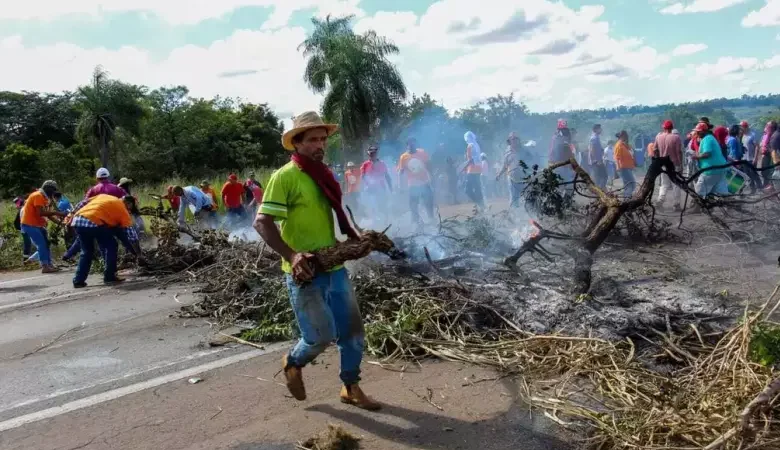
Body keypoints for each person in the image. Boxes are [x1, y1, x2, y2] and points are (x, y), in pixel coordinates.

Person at [254, 111, 379, 411]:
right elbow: (262, 222)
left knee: (352, 333)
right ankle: (293, 362)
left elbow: (336, 212)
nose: (320, 144)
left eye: (323, 139)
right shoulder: (285, 177)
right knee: (319, 337)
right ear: (296, 144)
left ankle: (350, 386)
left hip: (333, 265)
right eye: (312, 140)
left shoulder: (324, 174)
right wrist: (292, 255)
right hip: (305, 272)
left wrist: (355, 238)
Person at [71, 195, 141, 288]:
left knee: (87, 251)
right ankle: (109, 276)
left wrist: (73, 213)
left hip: (78, 220)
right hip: (94, 222)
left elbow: (82, 203)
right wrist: (138, 253)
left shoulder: (104, 196)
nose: (129, 210)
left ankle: (78, 280)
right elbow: (131, 235)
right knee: (111, 245)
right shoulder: (123, 210)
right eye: (131, 207)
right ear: (128, 203)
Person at [20, 181, 68, 273]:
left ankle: (49, 264)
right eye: (53, 190)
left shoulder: (45, 198)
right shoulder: (38, 196)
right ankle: (45, 266)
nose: (54, 192)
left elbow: (49, 215)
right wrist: (57, 213)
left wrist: (61, 223)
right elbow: (40, 213)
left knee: (46, 244)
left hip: (38, 225)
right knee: (41, 244)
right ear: (48, 188)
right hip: (30, 224)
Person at [398, 137, 434, 225]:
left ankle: (431, 219)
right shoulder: (403, 157)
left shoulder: (422, 152)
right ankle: (415, 222)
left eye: (413, 143)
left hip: (424, 182)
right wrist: (400, 185)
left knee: (428, 202)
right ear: (407, 145)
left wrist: (433, 179)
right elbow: (401, 171)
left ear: (416, 144)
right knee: (413, 205)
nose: (412, 145)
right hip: (412, 185)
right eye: (410, 144)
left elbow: (429, 166)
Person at [689, 122, 729, 197]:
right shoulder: (710, 138)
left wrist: (696, 156)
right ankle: (730, 205)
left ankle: (697, 207)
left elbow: (707, 154)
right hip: (720, 169)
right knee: (720, 192)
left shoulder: (707, 139)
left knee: (699, 191)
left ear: (703, 131)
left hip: (710, 170)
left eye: (698, 131)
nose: (697, 133)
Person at [653, 120, 683, 210]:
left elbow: (655, 150)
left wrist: (658, 160)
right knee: (676, 184)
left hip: (663, 164)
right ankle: (676, 204)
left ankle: (660, 201)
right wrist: (681, 164)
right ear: (672, 128)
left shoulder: (658, 137)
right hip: (674, 164)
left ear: (664, 128)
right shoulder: (676, 137)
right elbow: (679, 152)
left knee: (664, 184)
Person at [497, 132, 527, 208]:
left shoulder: (524, 151)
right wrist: (499, 175)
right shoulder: (507, 154)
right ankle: (515, 215)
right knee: (514, 197)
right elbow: (504, 166)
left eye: (516, 139)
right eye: (513, 139)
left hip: (524, 178)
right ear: (509, 141)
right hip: (512, 179)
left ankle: (528, 213)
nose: (515, 141)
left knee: (527, 196)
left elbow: (531, 161)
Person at [549, 120, 576, 194]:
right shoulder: (558, 138)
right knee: (568, 184)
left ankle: (562, 201)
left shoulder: (556, 137)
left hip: (561, 165)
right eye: (563, 129)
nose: (565, 131)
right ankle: (564, 202)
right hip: (561, 165)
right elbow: (557, 152)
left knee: (563, 185)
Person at [462, 131, 485, 209]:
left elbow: (471, 160)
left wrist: (463, 167)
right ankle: (482, 205)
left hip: (472, 170)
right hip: (478, 169)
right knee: (477, 188)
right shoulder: (476, 145)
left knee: (467, 190)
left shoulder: (470, 146)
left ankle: (479, 204)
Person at [614, 131, 637, 198]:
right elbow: (617, 157)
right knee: (631, 184)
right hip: (624, 168)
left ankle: (626, 199)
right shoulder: (618, 145)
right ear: (622, 136)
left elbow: (631, 153)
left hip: (627, 167)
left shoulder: (624, 145)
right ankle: (627, 198)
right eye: (625, 136)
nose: (626, 137)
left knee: (628, 185)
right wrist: (618, 167)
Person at [13, 196, 32, 261]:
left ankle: (28, 258)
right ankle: (26, 260)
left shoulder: (21, 207)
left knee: (29, 244)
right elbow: (16, 222)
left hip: (25, 228)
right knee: (28, 243)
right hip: (25, 229)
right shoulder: (22, 208)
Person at [588, 124, 607, 189]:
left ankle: (600, 192)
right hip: (596, 162)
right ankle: (600, 192)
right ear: (596, 129)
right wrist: (597, 160)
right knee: (603, 177)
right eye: (600, 129)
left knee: (599, 178)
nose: (601, 130)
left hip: (597, 161)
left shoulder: (596, 137)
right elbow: (592, 150)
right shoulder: (594, 138)